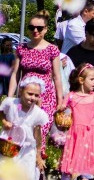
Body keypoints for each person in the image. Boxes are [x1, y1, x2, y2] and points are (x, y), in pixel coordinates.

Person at [8, 13, 63, 153]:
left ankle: (38, 166)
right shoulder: (21, 49)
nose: (35, 31)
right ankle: (24, 165)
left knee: (40, 132)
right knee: (22, 130)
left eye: (39, 28)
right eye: (31, 27)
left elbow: (57, 77)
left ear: (45, 29)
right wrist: (9, 98)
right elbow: (15, 74)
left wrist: (60, 101)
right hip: (25, 97)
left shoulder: (52, 49)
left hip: (46, 98)